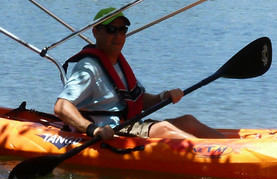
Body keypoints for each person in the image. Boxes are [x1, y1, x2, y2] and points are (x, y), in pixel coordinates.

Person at [54, 8, 223, 142]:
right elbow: (61, 106)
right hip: (112, 132)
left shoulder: (118, 63)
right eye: (111, 29)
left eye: (122, 30)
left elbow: (138, 100)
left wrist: (164, 96)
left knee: (188, 121)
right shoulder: (88, 67)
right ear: (96, 32)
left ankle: (237, 147)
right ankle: (213, 157)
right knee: (163, 128)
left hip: (130, 126)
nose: (118, 36)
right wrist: (93, 129)